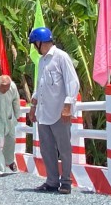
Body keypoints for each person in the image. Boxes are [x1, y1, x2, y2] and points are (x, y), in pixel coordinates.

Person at [27, 26, 80, 194]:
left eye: (35, 43)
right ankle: (51, 181)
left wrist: (67, 106)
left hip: (59, 111)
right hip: (44, 111)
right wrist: (33, 105)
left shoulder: (61, 57)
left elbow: (72, 82)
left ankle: (66, 181)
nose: (34, 47)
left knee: (64, 148)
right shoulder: (42, 61)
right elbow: (39, 85)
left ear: (40, 42)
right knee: (47, 148)